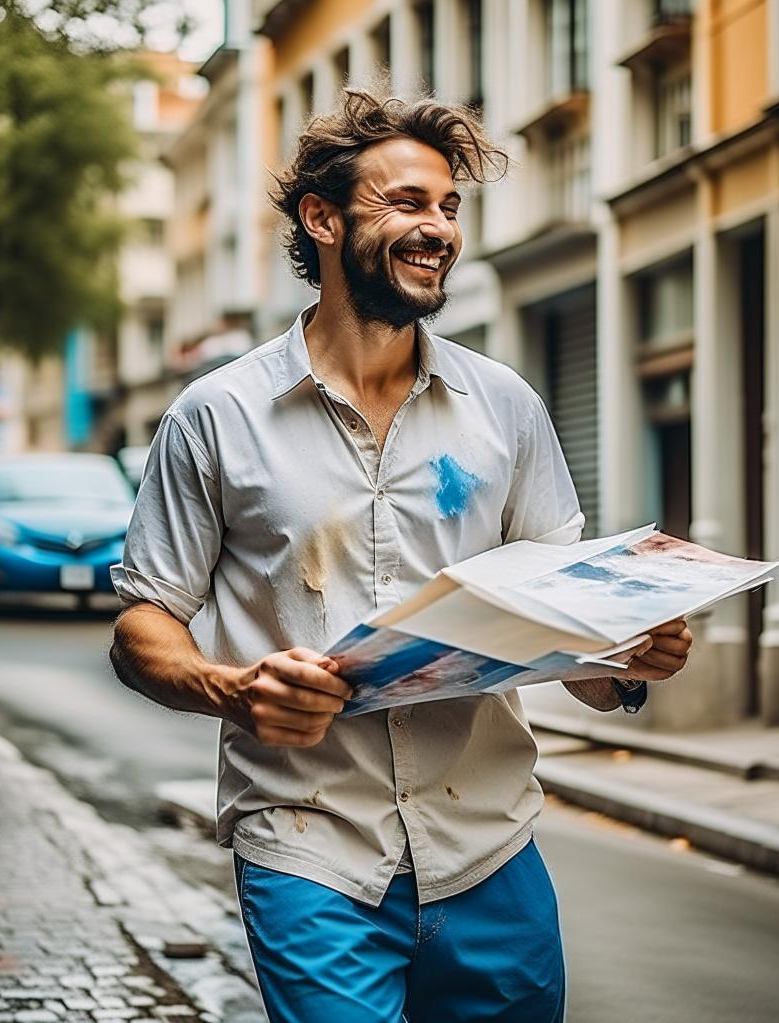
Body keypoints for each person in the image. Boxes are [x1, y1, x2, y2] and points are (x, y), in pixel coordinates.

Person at [109, 91, 693, 1023]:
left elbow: (563, 626)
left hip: (489, 848)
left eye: (448, 207)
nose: (438, 229)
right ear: (324, 219)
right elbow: (144, 623)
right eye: (407, 203)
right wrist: (233, 687)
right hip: (310, 846)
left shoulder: (505, 405)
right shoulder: (215, 415)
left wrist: (625, 658)